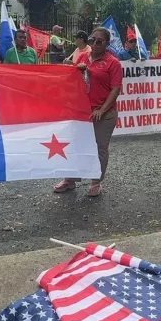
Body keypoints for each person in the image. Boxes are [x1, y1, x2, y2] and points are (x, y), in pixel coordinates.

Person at [53, 27, 121, 198]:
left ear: (107, 44)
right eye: (93, 40)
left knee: (100, 148)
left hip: (104, 114)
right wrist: (78, 69)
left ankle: (96, 181)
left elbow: (115, 89)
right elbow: (74, 80)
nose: (95, 44)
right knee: (74, 145)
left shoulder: (113, 63)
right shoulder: (84, 57)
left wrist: (102, 110)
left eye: (100, 41)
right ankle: (70, 179)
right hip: (82, 112)